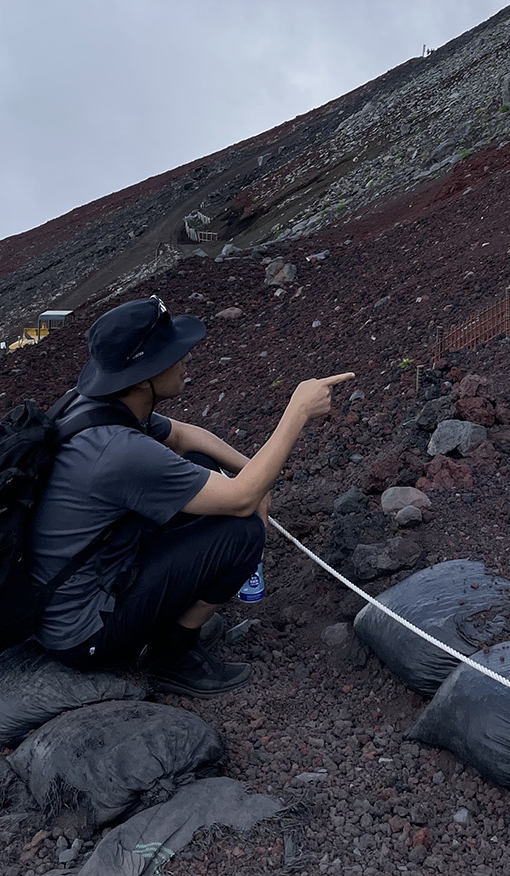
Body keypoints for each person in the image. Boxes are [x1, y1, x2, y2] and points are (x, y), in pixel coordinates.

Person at [29, 293, 352, 695]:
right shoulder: (118, 451)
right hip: (84, 630)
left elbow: (185, 437)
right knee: (244, 530)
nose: (185, 360)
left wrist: (249, 471)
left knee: (200, 461)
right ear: (144, 376)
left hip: (74, 583)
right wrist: (296, 413)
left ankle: (170, 611)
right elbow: (241, 500)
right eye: (173, 355)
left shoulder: (96, 405)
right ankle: (172, 656)